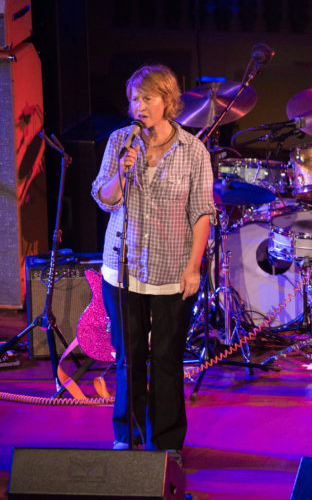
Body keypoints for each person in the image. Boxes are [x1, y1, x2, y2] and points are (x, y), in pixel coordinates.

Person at [91, 64, 215, 459]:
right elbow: (103, 197)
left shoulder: (194, 151)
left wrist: (194, 266)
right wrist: (123, 173)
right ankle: (126, 435)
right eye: (134, 99)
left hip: (170, 271)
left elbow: (202, 213)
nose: (138, 106)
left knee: (165, 359)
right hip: (122, 269)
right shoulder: (119, 143)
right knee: (129, 357)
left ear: (167, 101)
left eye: (147, 98)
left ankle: (166, 443)